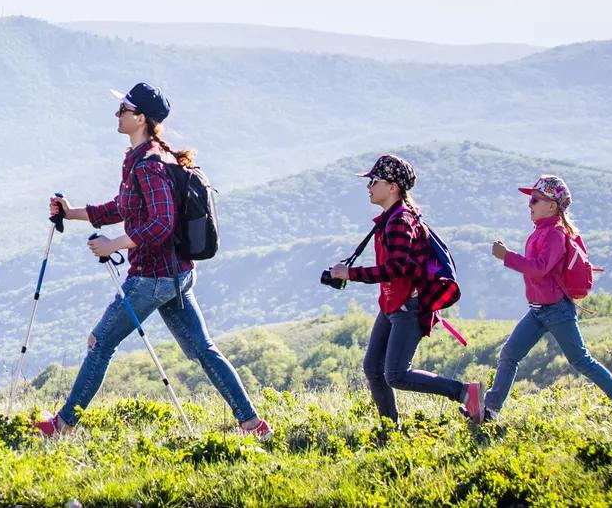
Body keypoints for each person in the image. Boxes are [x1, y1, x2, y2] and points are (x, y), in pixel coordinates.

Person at [36, 82, 270, 439]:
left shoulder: (148, 165)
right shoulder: (148, 157)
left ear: (141, 118)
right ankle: (253, 425)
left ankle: (62, 426)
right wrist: (72, 213)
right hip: (177, 274)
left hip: (152, 277)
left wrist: (113, 244)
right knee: (203, 350)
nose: (117, 114)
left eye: (124, 110)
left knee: (100, 343)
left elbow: (161, 224)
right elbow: (124, 207)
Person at [328, 154, 482, 423]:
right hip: (392, 304)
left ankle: (465, 393)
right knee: (373, 368)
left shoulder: (400, 221)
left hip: (408, 306)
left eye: (374, 181)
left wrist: (350, 274)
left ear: (392, 187)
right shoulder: (391, 218)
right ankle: (390, 428)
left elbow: (397, 268)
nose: (368, 186)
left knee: (396, 374)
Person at [478, 175, 612, 421]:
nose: (530, 204)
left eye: (535, 200)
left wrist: (507, 256)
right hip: (538, 310)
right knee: (509, 355)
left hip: (556, 310)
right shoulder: (542, 231)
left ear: (552, 206)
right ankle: (490, 411)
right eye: (530, 200)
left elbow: (540, 268)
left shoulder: (555, 234)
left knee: (580, 360)